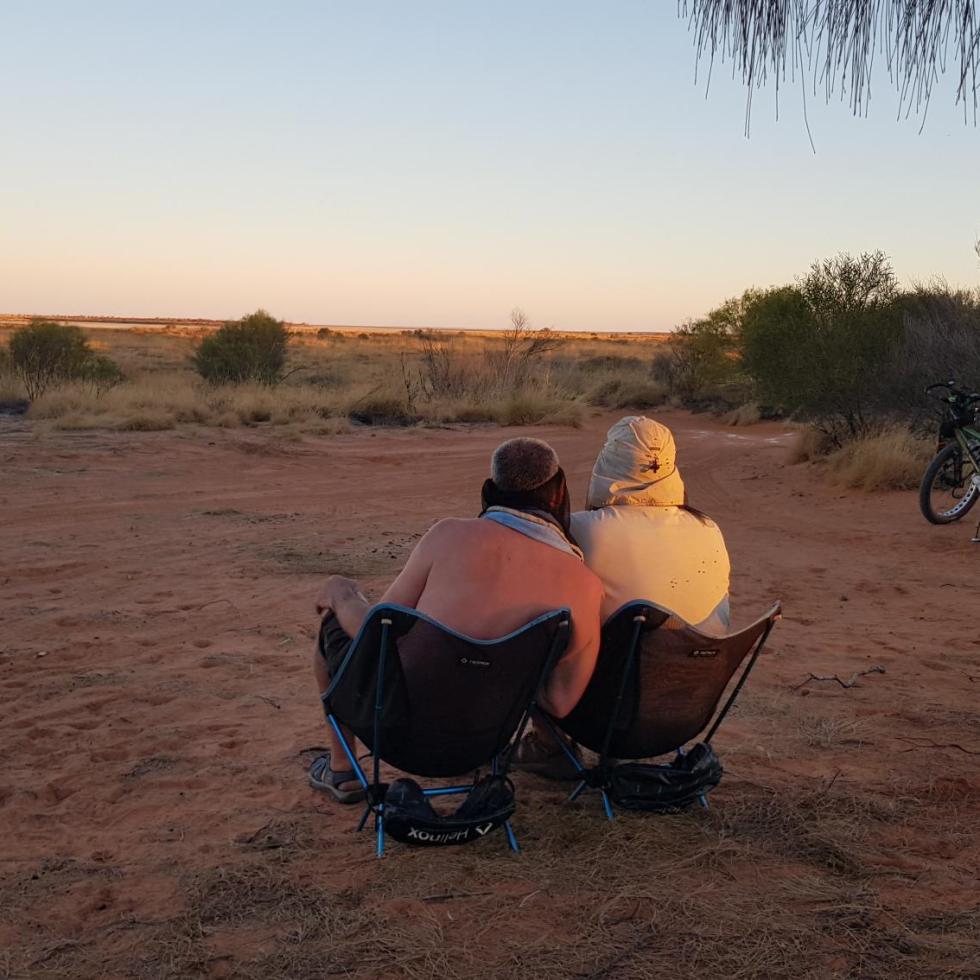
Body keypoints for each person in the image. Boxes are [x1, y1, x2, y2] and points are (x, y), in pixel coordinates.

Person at [310, 437, 603, 802]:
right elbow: (559, 702)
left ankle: (342, 769)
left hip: (396, 735)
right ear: (559, 493)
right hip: (486, 743)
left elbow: (377, 630)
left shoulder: (448, 535)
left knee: (334, 626)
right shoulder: (584, 584)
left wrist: (342, 595)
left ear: (490, 490)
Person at [570, 416, 731, 633]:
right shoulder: (709, 527)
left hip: (629, 652)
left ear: (608, 462)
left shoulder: (584, 529)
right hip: (704, 651)